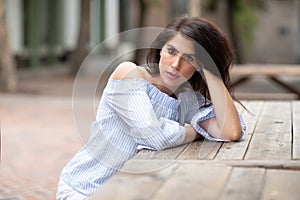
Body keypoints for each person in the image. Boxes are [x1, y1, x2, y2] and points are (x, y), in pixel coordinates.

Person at [56, 15, 246, 199]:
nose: (175, 64)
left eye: (189, 58)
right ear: (160, 49)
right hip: (86, 189)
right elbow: (155, 135)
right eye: (171, 51)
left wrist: (211, 72)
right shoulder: (129, 74)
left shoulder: (187, 99)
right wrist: (198, 131)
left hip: (130, 192)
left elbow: (231, 131)